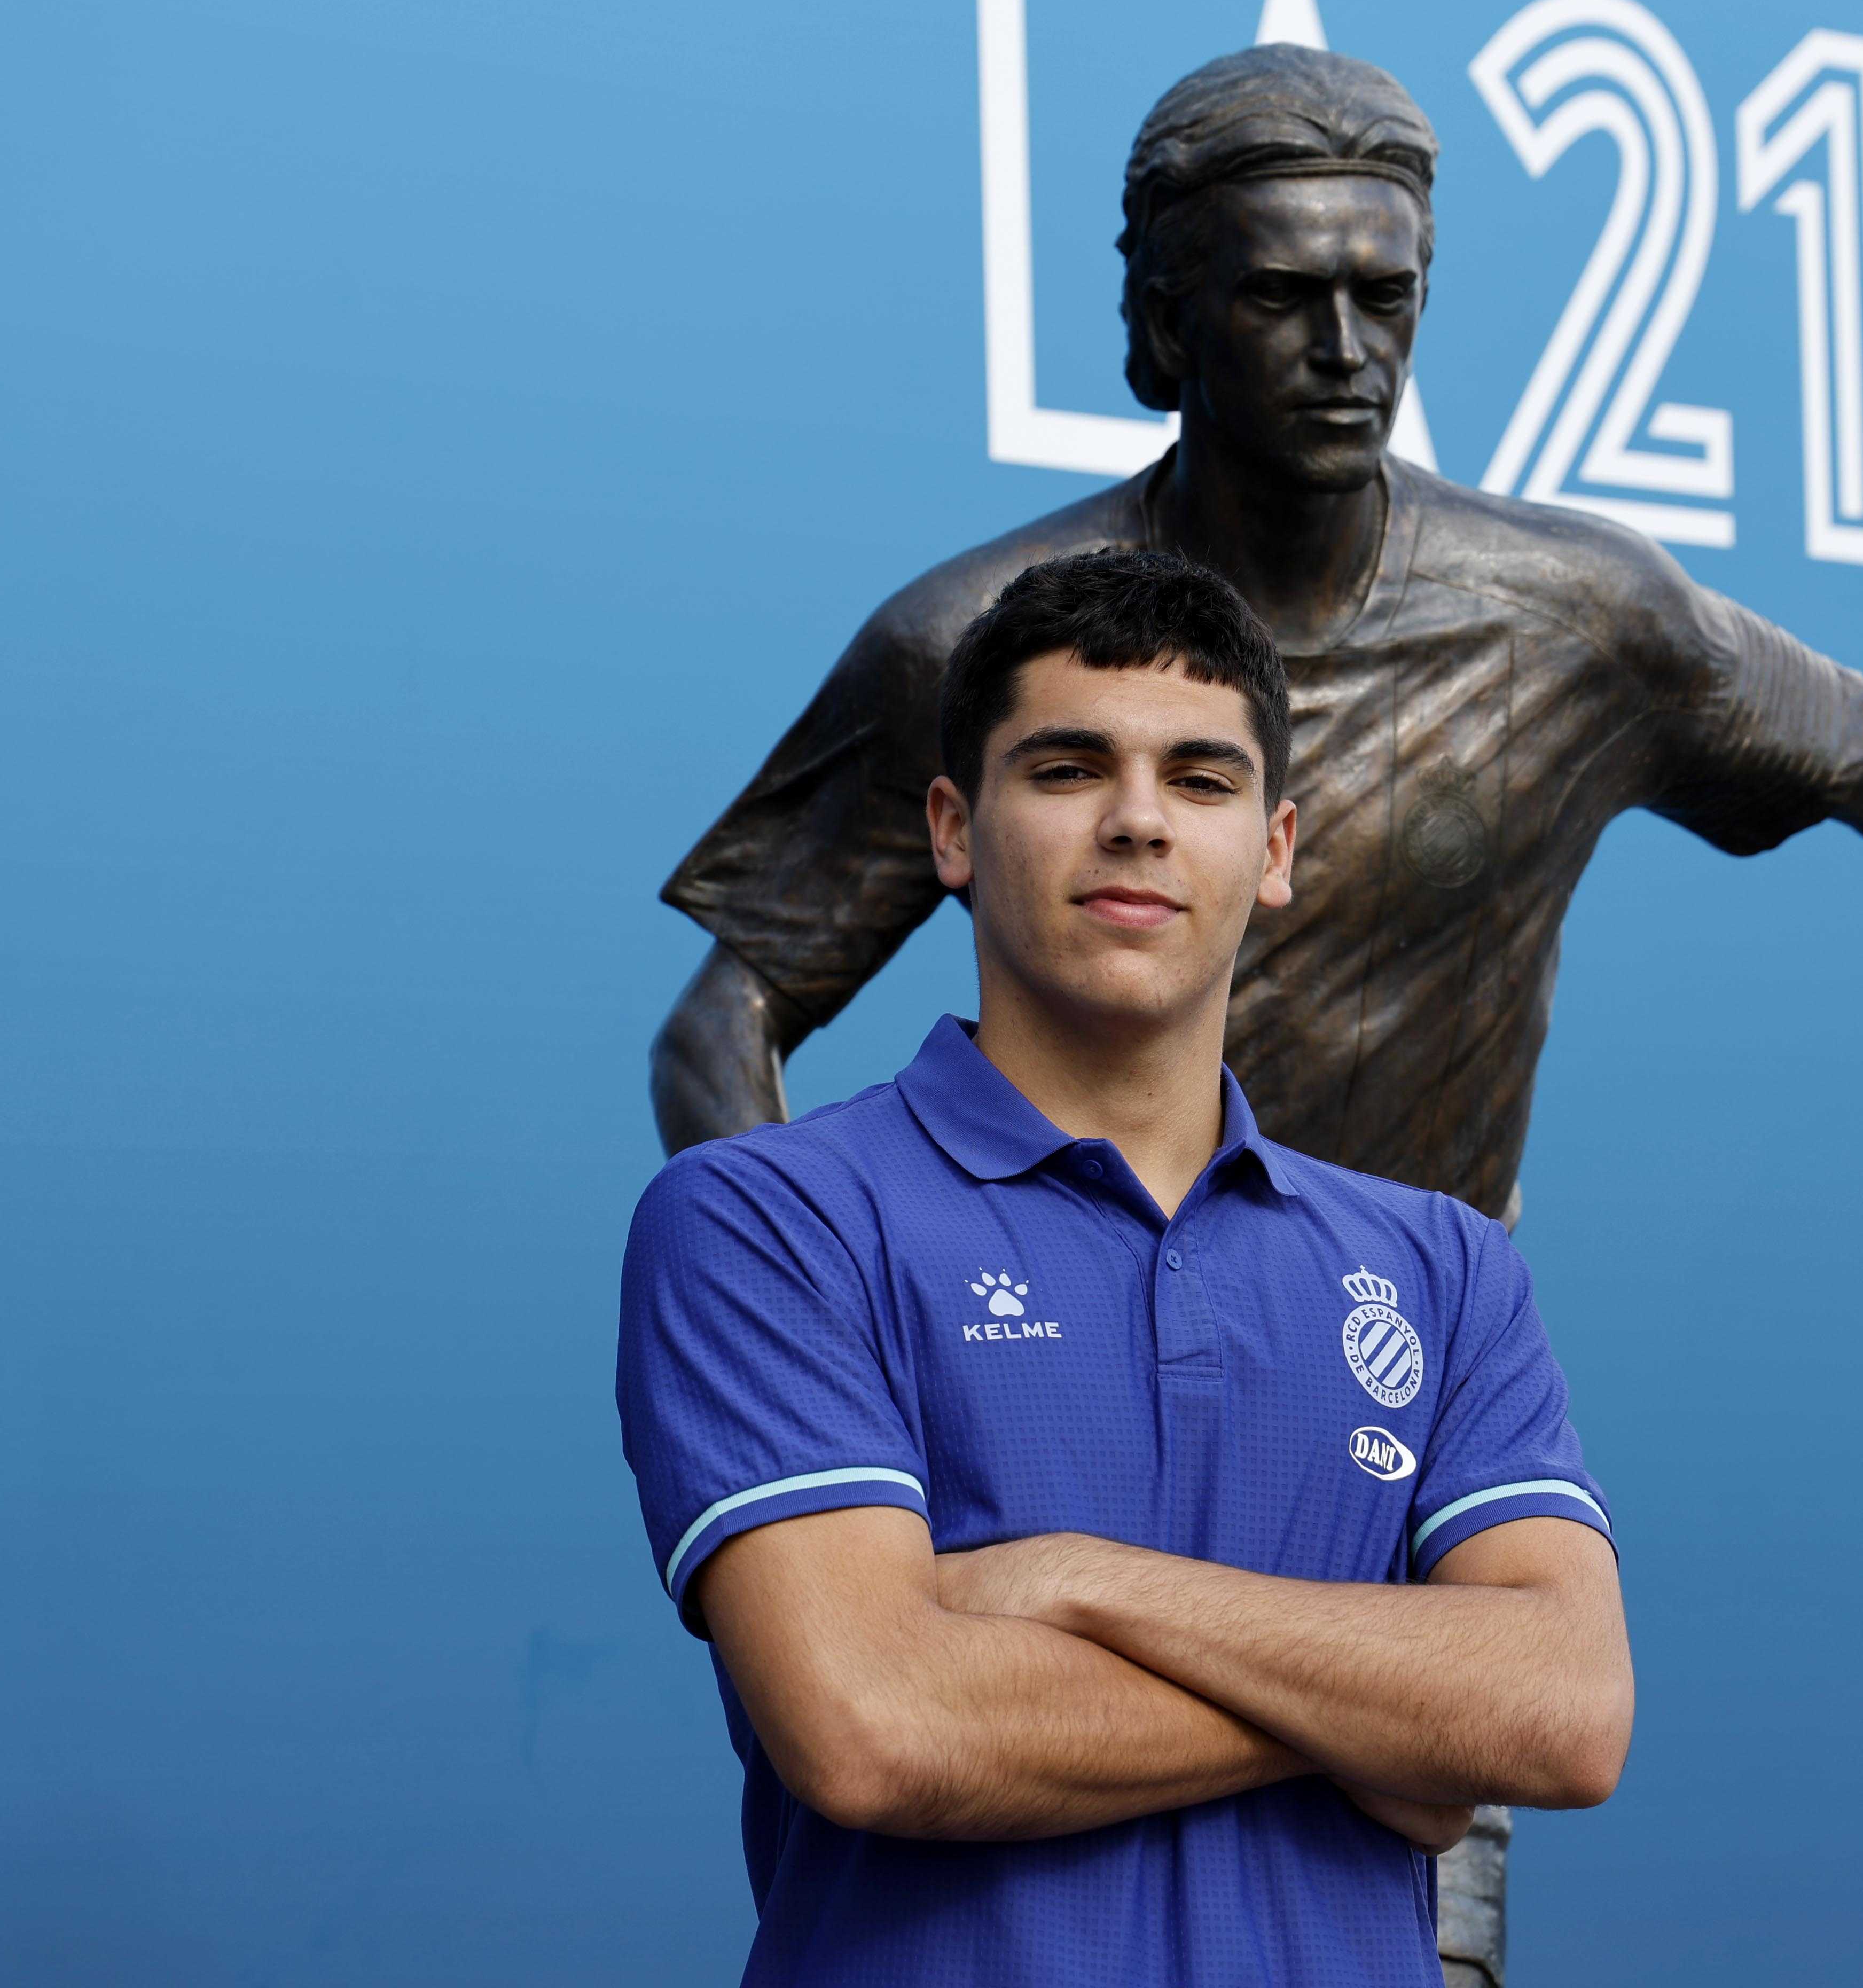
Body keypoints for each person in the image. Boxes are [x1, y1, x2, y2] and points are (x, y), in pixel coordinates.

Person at [649, 45, 1863, 1230]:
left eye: (1386, 296)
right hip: (1072, 1391)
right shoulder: (976, 641)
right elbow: (725, 1024)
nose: (1347, 351)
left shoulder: (1579, 617)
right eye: (1283, 299)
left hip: (1416, 1396)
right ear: (1169, 326)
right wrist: (828, 1352)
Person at [617, 550, 1631, 1987]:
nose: (1140, 820)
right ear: (954, 831)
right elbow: (877, 1727)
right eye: (1069, 769)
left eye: (1202, 780)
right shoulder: (768, 1217)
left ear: (1275, 850)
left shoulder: (1444, 1266)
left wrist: (1076, 1583)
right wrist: (1393, 1724)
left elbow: (1566, 1712)